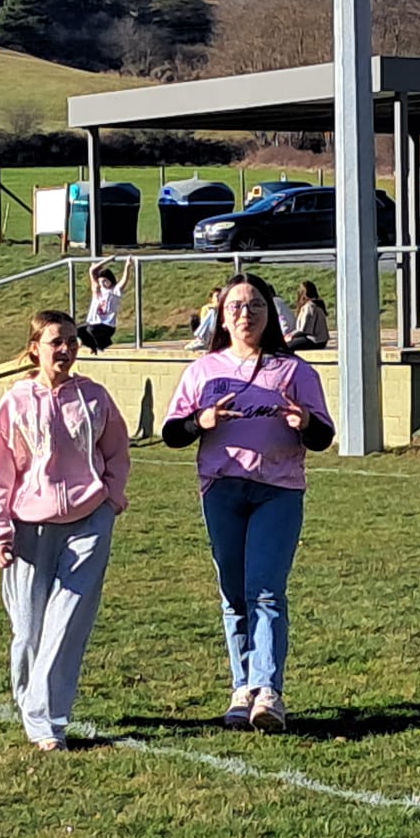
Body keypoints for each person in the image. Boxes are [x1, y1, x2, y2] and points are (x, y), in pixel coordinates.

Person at [162, 272, 335, 732]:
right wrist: (200, 422)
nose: (245, 314)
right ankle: (242, 688)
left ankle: (268, 691)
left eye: (255, 305)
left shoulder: (294, 371)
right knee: (234, 592)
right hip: (222, 489)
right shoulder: (203, 371)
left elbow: (323, 435)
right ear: (221, 316)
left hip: (277, 490)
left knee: (266, 589)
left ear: (270, 314)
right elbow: (172, 433)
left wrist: (304, 422)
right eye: (235, 306)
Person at [0, 311, 132, 751]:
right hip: (30, 528)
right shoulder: (15, 402)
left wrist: (111, 497)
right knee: (29, 630)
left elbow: (116, 451)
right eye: (55, 342)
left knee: (66, 625)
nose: (65, 349)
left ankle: (47, 722)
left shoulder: (94, 397)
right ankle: (30, 701)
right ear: (35, 349)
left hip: (89, 522)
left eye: (71, 341)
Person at [79, 260, 130, 353]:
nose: (102, 284)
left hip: (107, 326)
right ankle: (94, 346)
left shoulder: (114, 291)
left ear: (110, 280)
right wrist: (108, 260)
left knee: (91, 329)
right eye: (100, 282)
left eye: (105, 281)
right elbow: (91, 271)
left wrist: (127, 266)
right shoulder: (97, 290)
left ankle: (103, 344)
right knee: (78, 331)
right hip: (95, 323)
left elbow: (124, 280)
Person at [286, 281, 330, 351]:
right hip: (320, 340)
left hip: (315, 340)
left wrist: (290, 336)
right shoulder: (316, 304)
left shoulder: (309, 307)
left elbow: (305, 330)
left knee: (286, 345)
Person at [187, 286, 223, 352]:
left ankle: (201, 339)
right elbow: (203, 322)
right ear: (211, 299)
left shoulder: (225, 307)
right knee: (212, 312)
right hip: (209, 332)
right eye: (217, 296)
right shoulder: (206, 308)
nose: (219, 298)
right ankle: (201, 339)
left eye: (221, 296)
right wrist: (215, 309)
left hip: (220, 332)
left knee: (213, 311)